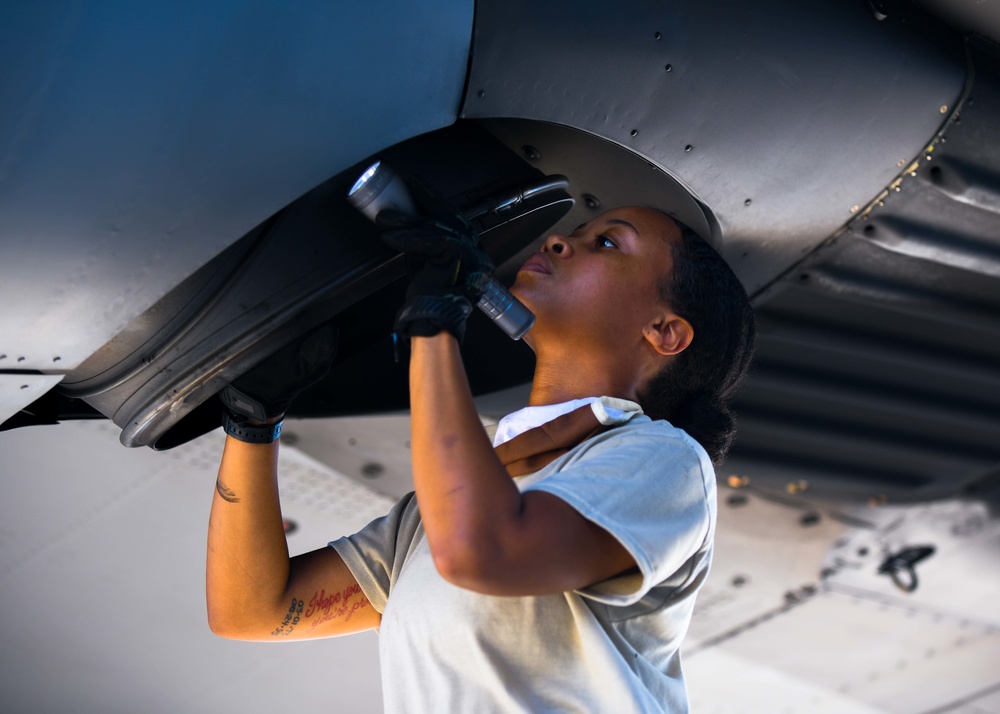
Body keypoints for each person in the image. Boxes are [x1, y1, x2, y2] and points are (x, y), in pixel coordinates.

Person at [206, 205, 756, 713]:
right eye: (579, 232)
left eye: (608, 243)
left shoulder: (665, 460)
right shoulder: (443, 510)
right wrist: (254, 422)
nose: (561, 240)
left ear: (665, 332)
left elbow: (481, 549)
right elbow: (255, 609)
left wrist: (432, 325)